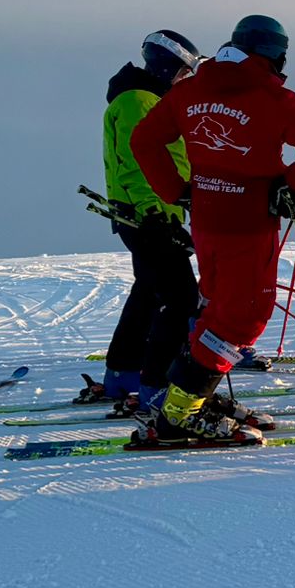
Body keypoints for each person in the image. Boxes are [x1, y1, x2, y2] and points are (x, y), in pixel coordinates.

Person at [130, 14, 295, 442]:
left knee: (216, 309)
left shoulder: (190, 90)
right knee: (243, 317)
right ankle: (179, 414)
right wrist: (289, 185)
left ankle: (191, 397)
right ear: (276, 54)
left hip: (207, 220)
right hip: (250, 224)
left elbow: (144, 140)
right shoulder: (274, 97)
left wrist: (176, 190)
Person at [93, 28, 202, 410]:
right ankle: (157, 386)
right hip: (149, 216)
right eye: (184, 72)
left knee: (149, 292)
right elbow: (137, 161)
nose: (185, 80)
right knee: (181, 299)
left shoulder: (145, 98)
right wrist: (156, 215)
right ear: (167, 67)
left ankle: (122, 373)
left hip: (148, 213)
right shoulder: (139, 100)